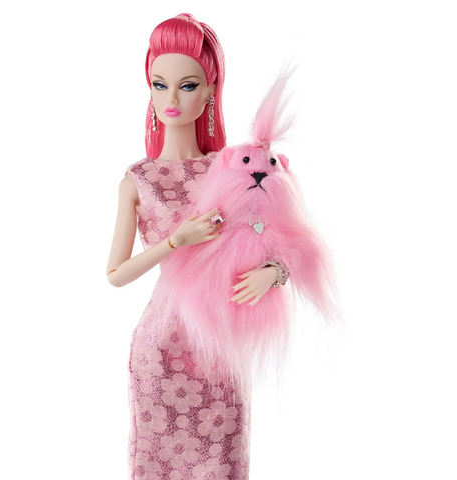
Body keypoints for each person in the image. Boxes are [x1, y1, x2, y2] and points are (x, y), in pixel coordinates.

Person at [106, 13, 285, 479]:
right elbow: (115, 274)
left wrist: (273, 273)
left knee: (223, 464)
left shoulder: (230, 168)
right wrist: (174, 241)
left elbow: (274, 235)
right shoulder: (137, 180)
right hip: (160, 348)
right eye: (159, 85)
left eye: (187, 86)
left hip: (221, 349)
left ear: (209, 92)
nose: (171, 98)